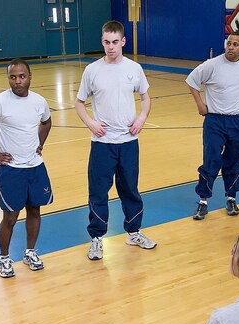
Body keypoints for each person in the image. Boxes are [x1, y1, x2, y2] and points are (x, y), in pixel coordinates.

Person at [75, 20, 156, 260]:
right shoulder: (92, 70)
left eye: (115, 42)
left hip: (128, 142)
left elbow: (146, 97)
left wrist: (141, 117)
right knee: (98, 191)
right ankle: (97, 238)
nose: (111, 47)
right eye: (106, 42)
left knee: (130, 189)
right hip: (102, 144)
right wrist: (91, 123)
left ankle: (134, 232)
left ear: (123, 42)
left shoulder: (134, 68)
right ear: (102, 42)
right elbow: (79, 103)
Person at [0, 59, 53, 278]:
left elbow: (46, 122)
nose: (17, 81)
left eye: (22, 76)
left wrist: (39, 144)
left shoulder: (39, 101)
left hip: (35, 167)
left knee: (35, 210)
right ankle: (4, 258)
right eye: (12, 77)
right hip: (11, 170)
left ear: (30, 76)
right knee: (11, 217)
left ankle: (30, 252)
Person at [188, 31, 239, 220]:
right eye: (228, 43)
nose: (230, 47)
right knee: (211, 160)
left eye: (235, 44)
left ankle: (231, 198)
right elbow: (191, 81)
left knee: (233, 161)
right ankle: (203, 201)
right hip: (215, 121)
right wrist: (200, 104)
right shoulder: (212, 65)